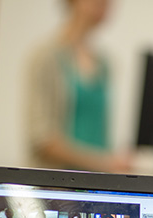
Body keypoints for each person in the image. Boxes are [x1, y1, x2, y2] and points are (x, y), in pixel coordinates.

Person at [26, 0, 131, 173]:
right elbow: (42, 141)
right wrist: (104, 163)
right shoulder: (46, 58)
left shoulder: (105, 63)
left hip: (96, 184)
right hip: (56, 186)